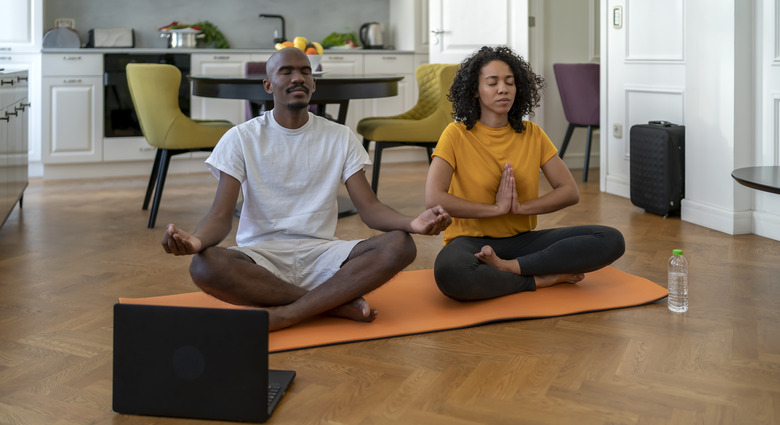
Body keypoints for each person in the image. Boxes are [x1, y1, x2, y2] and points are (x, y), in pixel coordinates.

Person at [162, 47, 451, 330]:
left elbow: (371, 210)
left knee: (399, 244)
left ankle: (286, 315)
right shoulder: (240, 138)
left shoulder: (340, 136)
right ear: (268, 85)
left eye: (304, 72)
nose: (297, 78)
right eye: (285, 72)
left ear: (313, 83)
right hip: (260, 258)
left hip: (323, 254)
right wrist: (197, 242)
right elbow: (219, 215)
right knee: (204, 265)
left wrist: (412, 223)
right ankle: (333, 305)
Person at [424, 46, 625, 301]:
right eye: (492, 82)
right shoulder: (456, 134)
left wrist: (521, 208)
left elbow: (569, 191)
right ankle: (538, 279)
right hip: (470, 242)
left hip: (523, 242)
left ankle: (511, 269)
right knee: (451, 273)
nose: (503, 89)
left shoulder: (533, 133)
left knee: (610, 239)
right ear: (475, 90)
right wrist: (496, 209)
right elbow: (434, 199)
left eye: (510, 82)